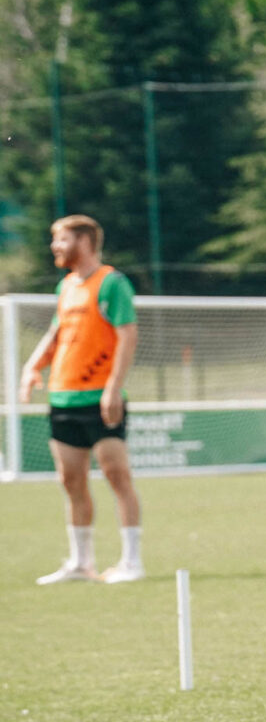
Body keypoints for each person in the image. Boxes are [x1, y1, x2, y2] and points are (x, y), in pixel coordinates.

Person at [19, 215, 146, 585]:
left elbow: (127, 336)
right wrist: (32, 366)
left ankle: (132, 561)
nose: (55, 248)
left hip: (99, 398)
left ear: (85, 241)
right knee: (71, 480)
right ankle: (80, 563)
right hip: (63, 398)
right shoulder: (66, 286)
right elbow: (57, 333)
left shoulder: (112, 283)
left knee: (116, 474)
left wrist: (113, 388)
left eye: (61, 240)